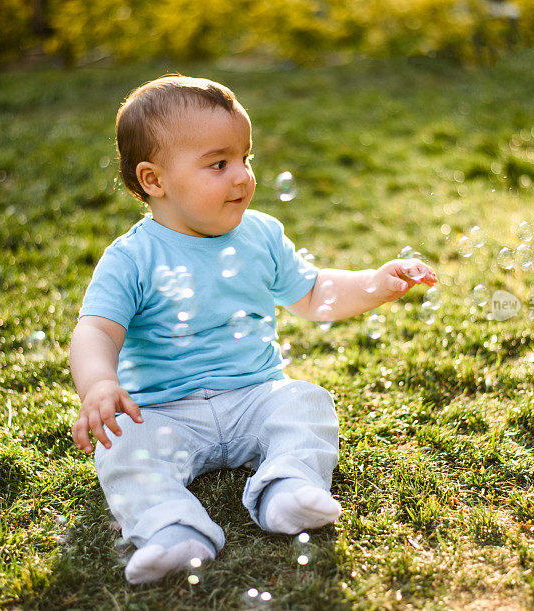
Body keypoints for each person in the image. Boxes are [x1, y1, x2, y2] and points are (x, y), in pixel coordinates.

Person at [69, 75, 438, 584]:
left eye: (246, 158)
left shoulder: (260, 234)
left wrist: (374, 284)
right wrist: (100, 384)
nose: (242, 176)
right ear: (154, 180)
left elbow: (312, 293)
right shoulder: (131, 258)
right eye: (219, 164)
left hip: (253, 395)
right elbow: (97, 331)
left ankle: (286, 488)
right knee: (123, 447)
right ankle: (173, 529)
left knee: (306, 400)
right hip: (161, 410)